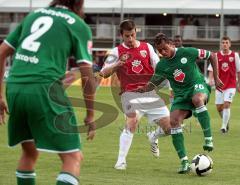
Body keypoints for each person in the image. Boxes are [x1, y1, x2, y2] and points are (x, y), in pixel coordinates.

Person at [0, 0, 96, 185]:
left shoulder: (34, 15)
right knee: (73, 158)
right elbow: (87, 75)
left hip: (15, 87)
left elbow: (2, 52)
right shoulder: (77, 24)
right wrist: (90, 115)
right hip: (45, 88)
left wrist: (0, 95)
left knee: (29, 151)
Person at [137, 33, 223, 173]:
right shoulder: (162, 65)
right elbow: (152, 84)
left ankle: (208, 138)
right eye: (160, 51)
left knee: (197, 99)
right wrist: (140, 89)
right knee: (174, 121)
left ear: (171, 44)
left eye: (165, 48)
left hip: (197, 86)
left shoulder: (187, 52)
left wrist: (217, 78)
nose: (163, 52)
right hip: (181, 95)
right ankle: (184, 162)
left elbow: (212, 55)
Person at [100, 20, 171, 170]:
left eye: (132, 35)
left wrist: (169, 86)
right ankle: (121, 161)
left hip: (150, 93)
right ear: (121, 35)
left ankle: (153, 136)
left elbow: (160, 68)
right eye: (127, 36)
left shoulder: (147, 48)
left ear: (136, 32)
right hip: (129, 94)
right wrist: (117, 64)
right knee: (132, 123)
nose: (130, 39)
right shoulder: (116, 52)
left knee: (170, 128)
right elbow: (103, 73)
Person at [208, 36, 240, 133]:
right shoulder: (216, 55)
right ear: (221, 44)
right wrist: (210, 80)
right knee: (219, 107)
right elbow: (211, 69)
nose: (225, 44)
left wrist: (239, 83)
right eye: (223, 42)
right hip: (220, 85)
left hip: (231, 84)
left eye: (226, 42)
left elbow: (239, 71)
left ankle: (223, 126)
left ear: (230, 44)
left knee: (226, 104)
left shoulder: (235, 55)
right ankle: (226, 122)